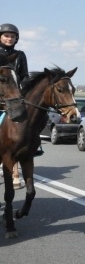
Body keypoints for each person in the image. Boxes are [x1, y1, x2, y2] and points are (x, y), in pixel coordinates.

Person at [0, 23, 33, 189]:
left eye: (12, 36)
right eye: (6, 35)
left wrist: (21, 91)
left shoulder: (20, 55)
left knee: (26, 124)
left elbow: (25, 76)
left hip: (14, 96)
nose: (9, 38)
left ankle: (34, 145)